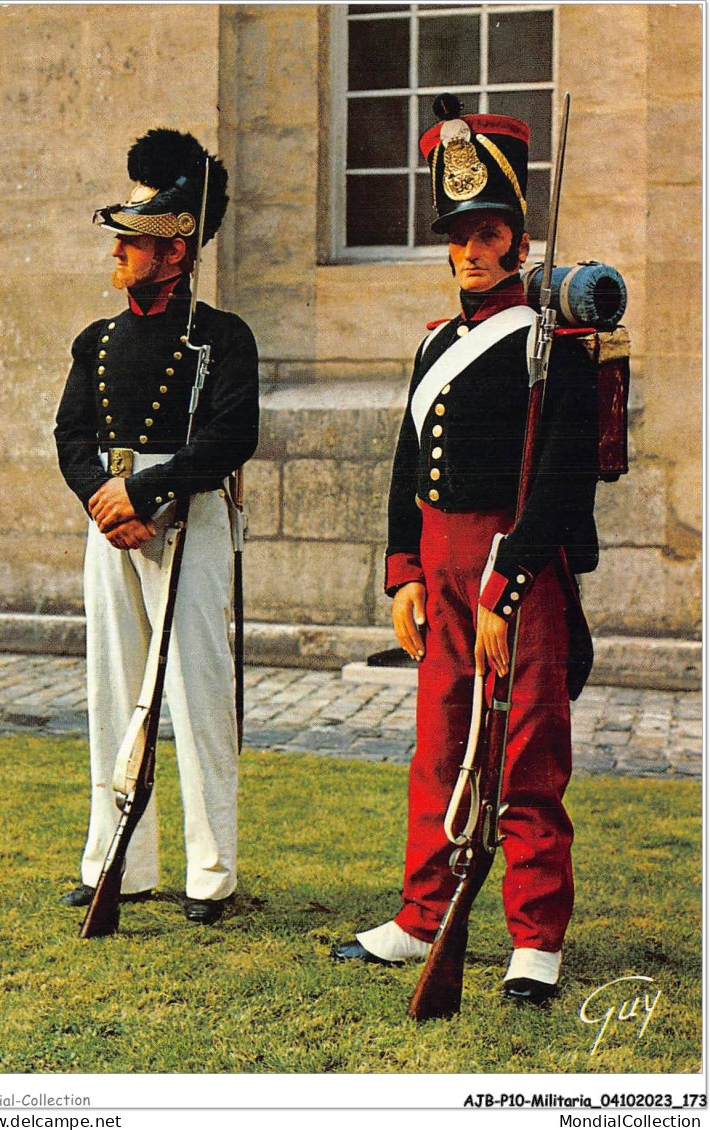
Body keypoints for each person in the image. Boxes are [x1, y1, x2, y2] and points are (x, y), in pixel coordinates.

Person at [332, 96, 599, 1001]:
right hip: (440, 568)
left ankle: (534, 940)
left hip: (512, 567)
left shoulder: (559, 344)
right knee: (440, 742)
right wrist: (403, 574)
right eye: (460, 234)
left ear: (518, 241)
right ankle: (421, 916)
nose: (474, 250)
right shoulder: (434, 344)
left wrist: (508, 584)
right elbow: (410, 464)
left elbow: (562, 482)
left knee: (524, 749)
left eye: (490, 233)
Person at [55, 128, 259, 925]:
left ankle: (211, 872)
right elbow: (71, 436)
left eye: (130, 242)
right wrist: (105, 501)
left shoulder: (223, 336)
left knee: (197, 691)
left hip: (190, 518)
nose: (117, 252)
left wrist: (148, 492)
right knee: (111, 690)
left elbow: (231, 436)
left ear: (173, 254)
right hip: (111, 521)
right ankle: (118, 862)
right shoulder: (95, 340)